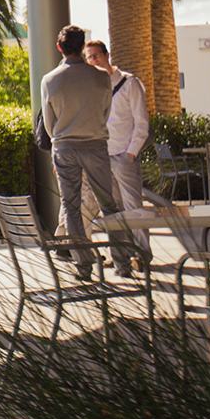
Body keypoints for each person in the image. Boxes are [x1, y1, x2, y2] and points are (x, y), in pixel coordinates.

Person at [36, 26, 130, 280]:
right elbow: (105, 112)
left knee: (71, 205)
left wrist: (60, 139)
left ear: (60, 48)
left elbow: (48, 122)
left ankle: (83, 264)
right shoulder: (101, 77)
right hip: (96, 144)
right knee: (109, 204)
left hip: (65, 146)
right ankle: (122, 262)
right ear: (82, 46)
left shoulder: (49, 80)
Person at [83, 40, 151, 274]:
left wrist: (131, 152)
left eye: (97, 55)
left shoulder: (129, 83)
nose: (94, 60)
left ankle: (143, 255)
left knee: (133, 208)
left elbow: (142, 123)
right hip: (102, 157)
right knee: (112, 212)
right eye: (89, 57)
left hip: (124, 156)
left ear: (107, 55)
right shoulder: (92, 87)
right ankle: (122, 258)